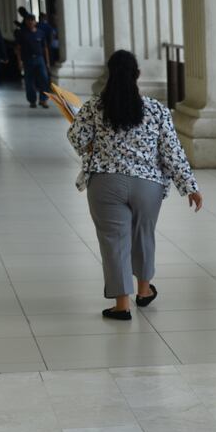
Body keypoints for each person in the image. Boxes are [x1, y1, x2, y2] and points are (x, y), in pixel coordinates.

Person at [67, 50, 203, 320]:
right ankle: (143, 290)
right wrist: (189, 186)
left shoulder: (94, 107)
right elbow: (171, 151)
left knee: (113, 241)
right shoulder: (155, 109)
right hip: (147, 185)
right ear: (137, 75)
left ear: (109, 74)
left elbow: (76, 139)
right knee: (144, 234)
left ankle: (121, 305)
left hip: (105, 183)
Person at [15, 14, 50, 108]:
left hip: (39, 59)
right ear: (26, 22)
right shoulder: (22, 33)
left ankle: (43, 100)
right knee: (29, 81)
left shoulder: (40, 33)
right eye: (29, 20)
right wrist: (19, 61)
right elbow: (18, 48)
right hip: (28, 59)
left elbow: (45, 48)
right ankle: (32, 100)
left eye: (32, 20)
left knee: (44, 79)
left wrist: (47, 62)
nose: (31, 22)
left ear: (35, 21)